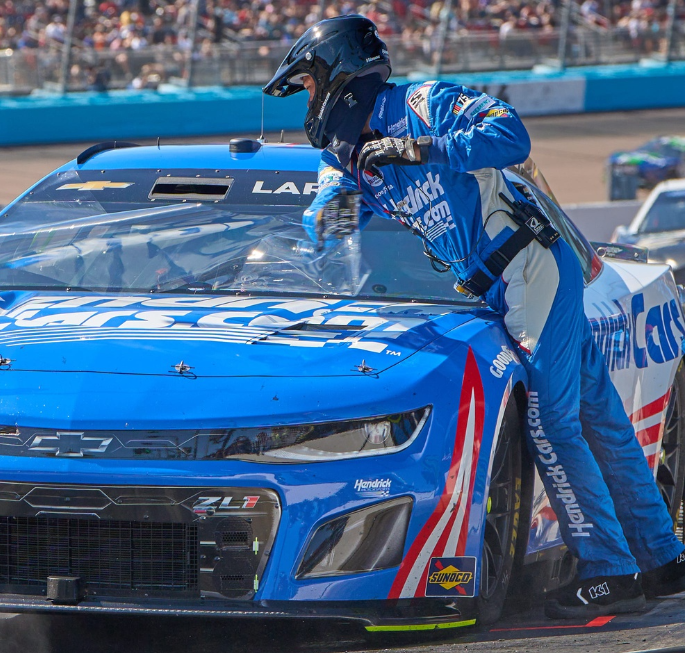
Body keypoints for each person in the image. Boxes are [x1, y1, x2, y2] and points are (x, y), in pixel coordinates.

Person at [264, 15, 685, 619]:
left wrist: (425, 147)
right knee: (598, 417)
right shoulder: (350, 159)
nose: (309, 101)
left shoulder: (425, 104)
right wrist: (310, 239)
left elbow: (511, 136)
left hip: (529, 266)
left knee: (550, 425)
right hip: (507, 282)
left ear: (340, 76)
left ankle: (610, 570)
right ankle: (663, 560)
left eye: (309, 85)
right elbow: (324, 234)